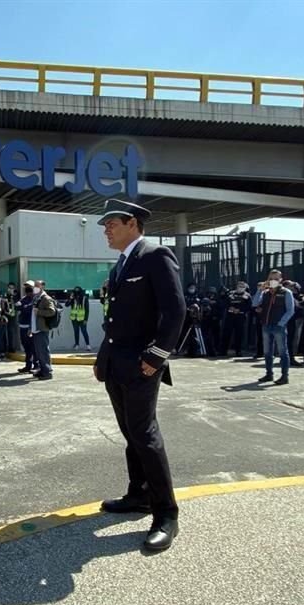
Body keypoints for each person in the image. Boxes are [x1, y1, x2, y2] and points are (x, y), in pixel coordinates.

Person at [93, 199, 185, 552]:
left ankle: (166, 514)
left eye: (111, 224)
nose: (106, 230)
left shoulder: (155, 255)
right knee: (130, 432)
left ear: (132, 223)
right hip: (117, 363)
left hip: (142, 364)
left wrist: (156, 357)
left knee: (145, 434)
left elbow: (175, 311)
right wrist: (103, 359)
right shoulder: (122, 263)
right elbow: (114, 318)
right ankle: (139, 494)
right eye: (104, 225)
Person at [253, 269, 295, 385]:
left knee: (282, 351)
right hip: (266, 325)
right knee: (267, 352)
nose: (273, 281)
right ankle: (269, 374)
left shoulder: (286, 292)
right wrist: (259, 291)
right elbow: (255, 303)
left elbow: (290, 310)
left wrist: (281, 323)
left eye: (276, 279)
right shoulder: (265, 292)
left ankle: (284, 376)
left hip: (278, 326)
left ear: (280, 280)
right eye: (271, 279)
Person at [30, 280, 56, 380]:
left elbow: (51, 311)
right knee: (38, 351)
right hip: (35, 329)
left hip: (42, 328)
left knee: (43, 351)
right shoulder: (37, 298)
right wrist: (30, 328)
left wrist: (39, 312)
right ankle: (42, 369)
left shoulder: (46, 298)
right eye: (34, 286)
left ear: (43, 287)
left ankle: (47, 372)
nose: (35, 287)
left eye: (37, 285)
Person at [221, 282, 251, 357]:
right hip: (230, 316)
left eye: (242, 287)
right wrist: (230, 308)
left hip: (240, 317)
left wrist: (240, 309)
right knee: (227, 333)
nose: (240, 288)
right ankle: (223, 350)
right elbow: (225, 303)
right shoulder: (231, 294)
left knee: (239, 334)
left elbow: (249, 306)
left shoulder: (247, 295)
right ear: (236, 286)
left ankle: (238, 351)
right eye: (239, 286)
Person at [16, 281, 39, 373]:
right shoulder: (24, 299)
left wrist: (24, 307)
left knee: (33, 347)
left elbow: (30, 311)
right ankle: (28, 365)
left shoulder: (35, 299)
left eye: (29, 287)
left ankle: (36, 365)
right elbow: (17, 306)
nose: (27, 290)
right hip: (22, 326)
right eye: (26, 288)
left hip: (31, 327)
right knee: (26, 347)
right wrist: (21, 306)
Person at [67, 286, 92, 351]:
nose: (76, 292)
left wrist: (86, 319)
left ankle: (88, 345)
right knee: (76, 332)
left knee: (84, 331)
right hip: (74, 318)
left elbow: (87, 310)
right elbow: (67, 305)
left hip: (82, 318)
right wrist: (70, 298)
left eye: (78, 290)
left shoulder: (84, 298)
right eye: (75, 290)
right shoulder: (73, 298)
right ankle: (77, 344)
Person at [4, 282, 19, 354]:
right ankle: (8, 347)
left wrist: (13, 295)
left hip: (14, 316)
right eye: (9, 288)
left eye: (12, 288)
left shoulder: (16, 295)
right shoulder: (5, 296)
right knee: (7, 332)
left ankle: (13, 347)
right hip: (6, 315)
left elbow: (17, 304)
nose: (10, 289)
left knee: (12, 331)